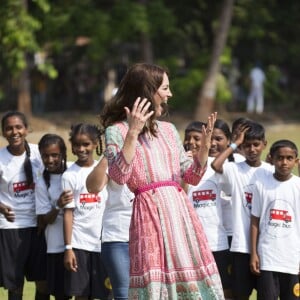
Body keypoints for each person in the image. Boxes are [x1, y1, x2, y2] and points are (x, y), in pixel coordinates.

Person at [101, 62, 224, 299]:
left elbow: (192, 176)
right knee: (154, 280)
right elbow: (119, 176)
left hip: (179, 213)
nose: (170, 94)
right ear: (148, 91)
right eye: (165, 88)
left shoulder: (168, 130)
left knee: (189, 278)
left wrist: (205, 149)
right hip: (148, 213)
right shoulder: (116, 131)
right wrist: (133, 133)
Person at [211, 120, 274, 300]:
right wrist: (234, 144)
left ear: (264, 144)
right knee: (239, 295)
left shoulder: (270, 171)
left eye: (256, 145)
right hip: (240, 247)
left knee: (267, 295)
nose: (252, 149)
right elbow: (216, 165)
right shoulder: (234, 169)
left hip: (266, 247)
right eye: (247, 146)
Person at [0, 111, 49, 300]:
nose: (14, 132)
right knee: (15, 286)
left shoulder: (39, 153)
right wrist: (2, 208)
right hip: (11, 227)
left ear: (27, 129)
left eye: (18, 127)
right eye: (9, 128)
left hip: (40, 226)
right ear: (3, 132)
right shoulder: (1, 158)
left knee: (43, 283)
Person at [184, 119, 233, 299]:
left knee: (224, 291)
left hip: (216, 241)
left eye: (197, 138)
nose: (191, 142)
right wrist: (186, 167)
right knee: (196, 292)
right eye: (188, 138)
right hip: (191, 242)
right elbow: (181, 192)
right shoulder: (180, 165)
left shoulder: (217, 166)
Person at [62, 123, 110, 300]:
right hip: (80, 244)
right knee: (81, 294)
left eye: (86, 144)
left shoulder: (105, 170)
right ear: (72, 147)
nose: (81, 149)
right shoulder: (69, 175)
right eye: (77, 145)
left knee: (105, 293)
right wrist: (69, 248)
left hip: (103, 244)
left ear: (96, 144)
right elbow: (68, 213)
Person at [250, 139, 300, 300]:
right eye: (280, 158)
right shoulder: (261, 185)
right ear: (271, 158)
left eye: (289, 158)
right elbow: (254, 222)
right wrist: (254, 254)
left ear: (296, 161)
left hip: (292, 259)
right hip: (268, 258)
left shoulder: (298, 186)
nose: (284, 162)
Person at [86, 157, 134, 300]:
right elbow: (93, 187)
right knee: (123, 295)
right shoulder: (113, 156)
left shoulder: (151, 151)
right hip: (117, 237)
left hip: (148, 235)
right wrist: (108, 155)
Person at [35, 134, 74, 300]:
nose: (50, 160)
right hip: (55, 246)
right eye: (45, 156)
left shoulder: (73, 171)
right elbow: (44, 219)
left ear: (64, 154)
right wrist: (58, 205)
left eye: (54, 155)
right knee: (59, 293)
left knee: (80, 292)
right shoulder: (42, 182)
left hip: (78, 243)